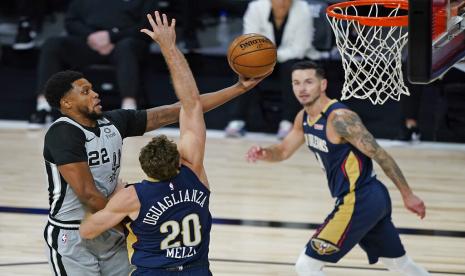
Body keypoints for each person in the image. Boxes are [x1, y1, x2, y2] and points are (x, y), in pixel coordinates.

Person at [41, 25, 268, 276]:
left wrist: (238, 89)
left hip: (114, 221)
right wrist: (141, 224)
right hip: (76, 232)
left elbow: (178, 109)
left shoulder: (113, 122)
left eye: (92, 88)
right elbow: (87, 194)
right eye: (85, 91)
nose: (95, 94)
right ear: (66, 102)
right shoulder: (63, 133)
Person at [246, 61, 430, 275]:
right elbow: (284, 150)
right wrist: (264, 153)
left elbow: (380, 154)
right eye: (296, 83)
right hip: (368, 199)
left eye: (308, 82)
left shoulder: (340, 119)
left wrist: (408, 195)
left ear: (322, 84)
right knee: (399, 264)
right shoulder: (303, 117)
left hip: (360, 198)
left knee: (306, 266)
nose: (302, 89)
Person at [80, 11, 214, 274]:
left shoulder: (133, 197)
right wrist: (169, 47)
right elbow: (192, 102)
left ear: (146, 169)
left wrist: (112, 196)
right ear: (179, 160)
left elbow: (88, 230)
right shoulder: (194, 172)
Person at [28, 0, 157, 128]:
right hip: (89, 41)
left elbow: (147, 26)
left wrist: (111, 36)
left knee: (127, 47)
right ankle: (43, 107)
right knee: (52, 45)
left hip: (125, 41)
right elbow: (71, 21)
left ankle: (129, 109)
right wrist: (92, 37)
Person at [224, 0, 319, 139]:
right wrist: (263, 58)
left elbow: (300, 47)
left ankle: (288, 122)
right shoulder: (256, 7)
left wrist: (271, 57)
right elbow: (250, 40)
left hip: (293, 57)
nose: (282, 2)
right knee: (244, 67)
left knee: (293, 69)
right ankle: (236, 121)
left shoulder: (303, 8)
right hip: (262, 56)